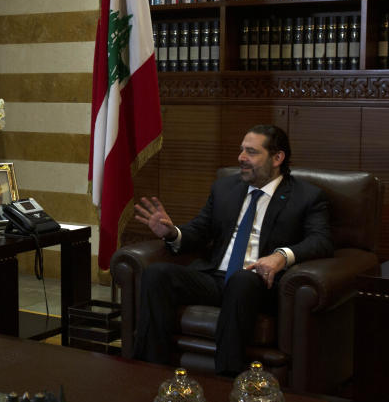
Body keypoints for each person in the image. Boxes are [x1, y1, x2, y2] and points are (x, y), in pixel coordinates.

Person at [131, 124, 332, 376]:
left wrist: (281, 256)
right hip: (215, 278)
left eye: (251, 152)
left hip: (260, 284)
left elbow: (321, 241)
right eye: (241, 151)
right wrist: (172, 233)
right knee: (157, 274)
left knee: (242, 280)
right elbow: (200, 230)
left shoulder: (307, 197)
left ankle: (225, 377)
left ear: (277, 158)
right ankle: (150, 371)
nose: (241, 158)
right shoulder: (225, 188)